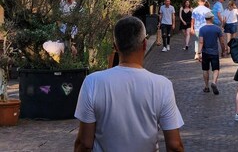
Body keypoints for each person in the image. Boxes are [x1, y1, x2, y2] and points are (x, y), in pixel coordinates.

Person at [74, 16, 184, 152]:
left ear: (115, 47)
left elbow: (84, 144)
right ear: (144, 44)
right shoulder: (162, 85)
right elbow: (174, 145)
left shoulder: (92, 82)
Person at [198, 11, 226, 95]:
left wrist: (199, 53)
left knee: (205, 69)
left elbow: (201, 42)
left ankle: (206, 87)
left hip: (205, 52)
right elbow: (222, 42)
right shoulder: (217, 29)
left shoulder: (202, 29)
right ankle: (214, 82)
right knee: (216, 69)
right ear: (212, 18)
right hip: (214, 52)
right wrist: (223, 51)